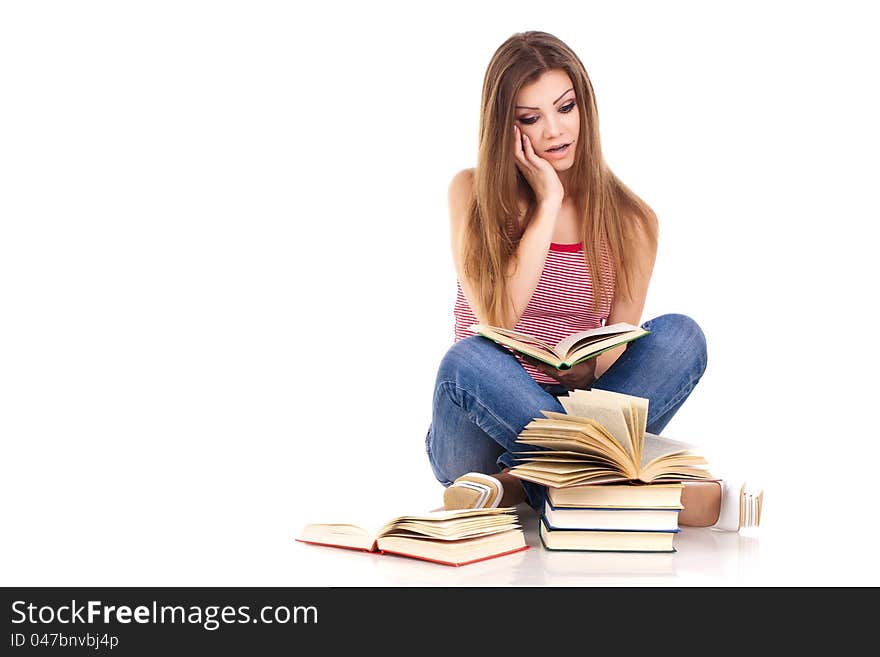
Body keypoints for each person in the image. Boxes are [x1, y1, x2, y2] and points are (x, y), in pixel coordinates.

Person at [424, 31, 761, 531]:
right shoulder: (471, 191)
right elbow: (497, 319)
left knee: (681, 335)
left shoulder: (632, 220)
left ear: (586, 108)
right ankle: (622, 485)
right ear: (505, 128)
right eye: (530, 119)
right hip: (479, 425)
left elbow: (617, 352)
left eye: (565, 108)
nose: (555, 131)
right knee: (466, 359)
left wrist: (584, 373)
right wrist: (548, 203)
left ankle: (527, 485)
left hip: (580, 413)